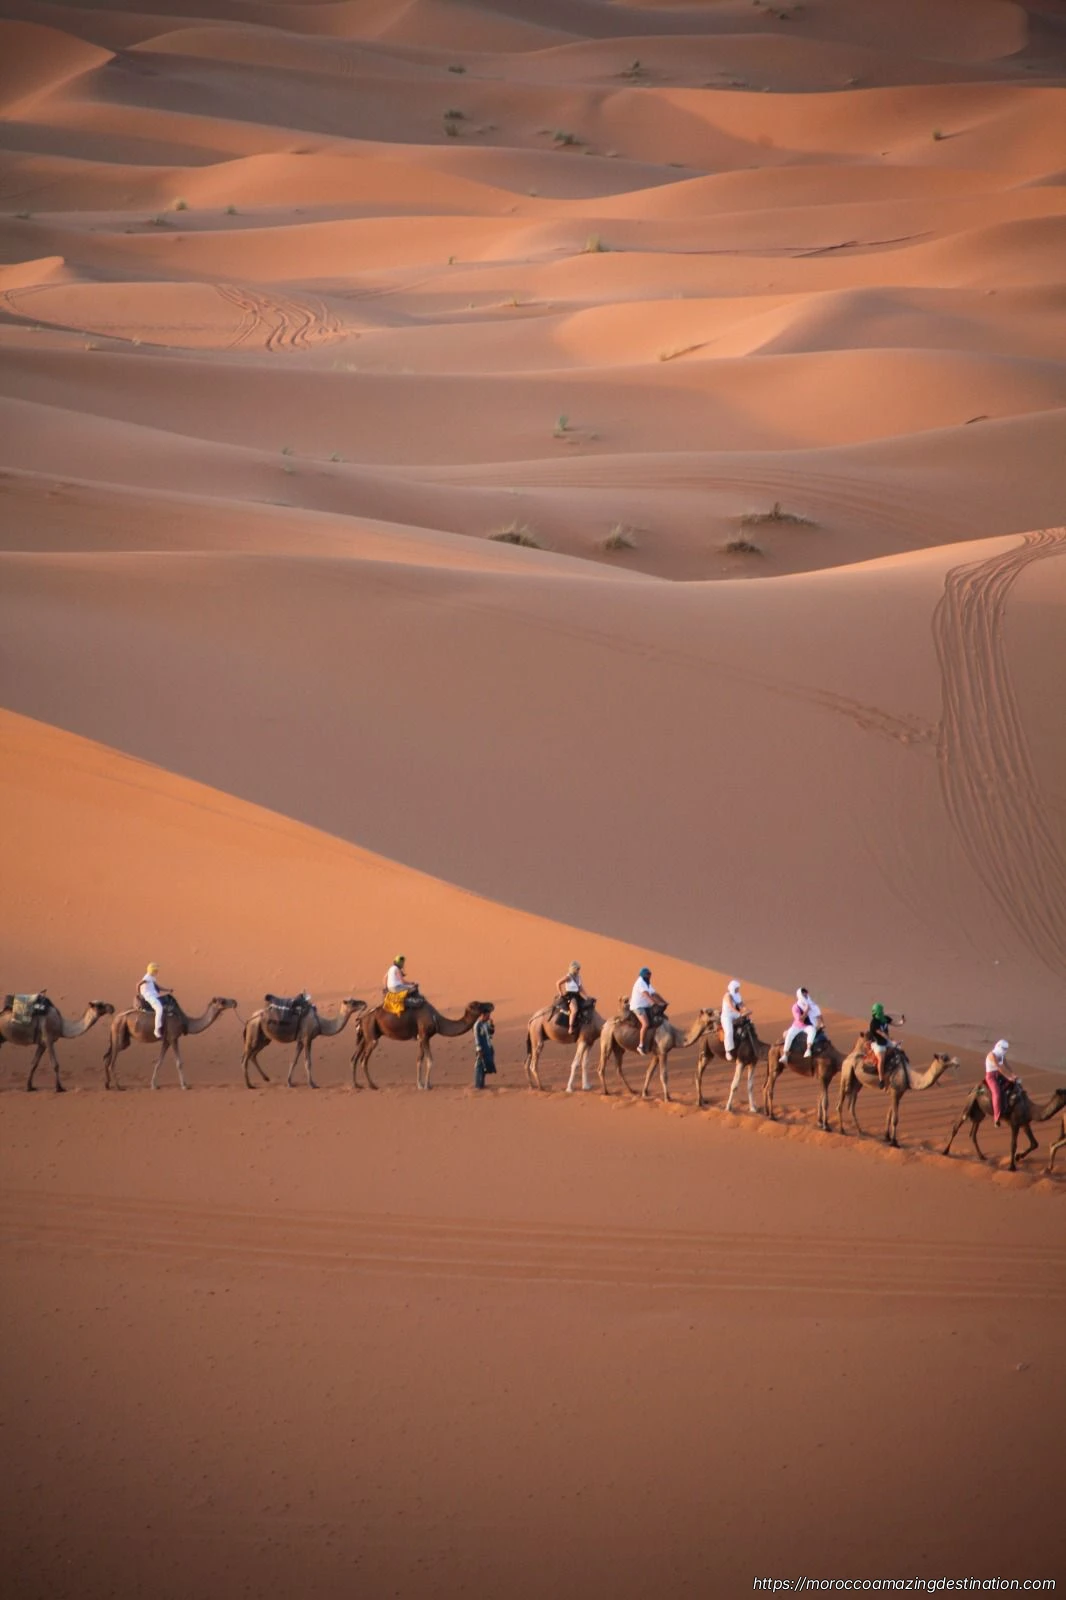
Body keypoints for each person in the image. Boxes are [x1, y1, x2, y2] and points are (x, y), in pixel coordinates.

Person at [629, 966, 664, 1056]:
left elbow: (654, 993)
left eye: (650, 974)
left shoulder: (647, 983)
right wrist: (653, 1003)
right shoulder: (640, 982)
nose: (649, 976)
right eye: (648, 974)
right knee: (646, 1024)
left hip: (646, 1006)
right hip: (638, 1006)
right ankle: (640, 1046)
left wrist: (663, 1001)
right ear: (644, 975)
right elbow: (646, 994)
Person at [867, 1003, 903, 1087]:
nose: (882, 1012)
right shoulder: (874, 1023)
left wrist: (902, 1022)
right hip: (877, 1043)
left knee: (899, 1049)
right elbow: (881, 1033)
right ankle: (881, 1079)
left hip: (886, 1041)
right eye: (880, 1011)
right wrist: (890, 1039)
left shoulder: (885, 1018)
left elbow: (895, 1023)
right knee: (881, 1059)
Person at [984, 1039, 1015, 1127]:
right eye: (1003, 1048)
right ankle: (996, 1118)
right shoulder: (992, 1055)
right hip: (991, 1077)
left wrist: (1013, 1073)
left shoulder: (1002, 1055)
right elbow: (999, 1067)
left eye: (1006, 1049)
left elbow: (1006, 1064)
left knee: (1015, 1085)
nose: (1004, 1050)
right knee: (996, 1094)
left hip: (999, 1075)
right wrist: (1008, 1077)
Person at [782, 986, 818, 1061]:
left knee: (812, 1031)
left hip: (808, 1025)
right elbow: (800, 1020)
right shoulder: (795, 1007)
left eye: (806, 994)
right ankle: (785, 1055)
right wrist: (807, 1010)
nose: (805, 996)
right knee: (789, 1035)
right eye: (803, 994)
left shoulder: (811, 1004)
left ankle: (808, 1050)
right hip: (797, 1026)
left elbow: (817, 1014)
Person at [138, 962, 170, 1040]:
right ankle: (156, 1030)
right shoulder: (147, 977)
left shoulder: (152, 978)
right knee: (159, 1009)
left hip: (155, 995)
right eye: (156, 971)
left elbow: (158, 986)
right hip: (150, 997)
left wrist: (168, 990)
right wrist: (140, 994)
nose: (157, 972)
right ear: (152, 971)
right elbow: (138, 984)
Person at [556, 961, 588, 1036]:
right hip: (570, 996)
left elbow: (580, 988)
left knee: (586, 1007)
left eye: (579, 969)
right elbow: (558, 983)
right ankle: (570, 1027)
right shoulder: (568, 977)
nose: (578, 971)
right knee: (574, 1010)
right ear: (573, 969)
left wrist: (586, 996)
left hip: (577, 995)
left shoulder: (578, 977)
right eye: (577, 969)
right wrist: (560, 993)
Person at [721, 978, 748, 1061]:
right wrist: (739, 1013)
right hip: (727, 1016)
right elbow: (731, 1007)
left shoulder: (737, 995)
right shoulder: (727, 996)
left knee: (748, 1022)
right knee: (729, 1031)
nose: (738, 989)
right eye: (736, 988)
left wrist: (745, 1009)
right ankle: (728, 1051)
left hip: (734, 1014)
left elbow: (740, 1004)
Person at [473, 1007, 496, 1089]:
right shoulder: (477, 1025)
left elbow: (491, 1032)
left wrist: (491, 1024)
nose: (489, 1017)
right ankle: (478, 1085)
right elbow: (477, 1037)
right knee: (479, 1066)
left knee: (485, 1066)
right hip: (482, 1048)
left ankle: (482, 1084)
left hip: (488, 1047)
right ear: (482, 1015)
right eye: (487, 1016)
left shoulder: (485, 1024)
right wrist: (479, 1049)